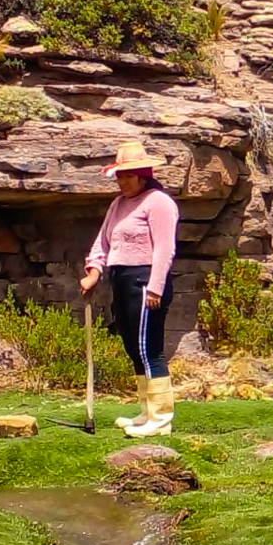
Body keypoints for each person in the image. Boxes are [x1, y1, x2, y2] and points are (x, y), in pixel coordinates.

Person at [79, 142, 180, 437]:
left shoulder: (159, 202)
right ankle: (146, 413)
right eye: (119, 176)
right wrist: (94, 271)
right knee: (133, 348)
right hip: (121, 279)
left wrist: (156, 287)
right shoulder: (118, 204)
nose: (122, 182)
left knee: (150, 350)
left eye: (127, 176)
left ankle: (160, 420)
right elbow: (103, 241)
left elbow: (165, 248)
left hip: (146, 281)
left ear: (142, 175)